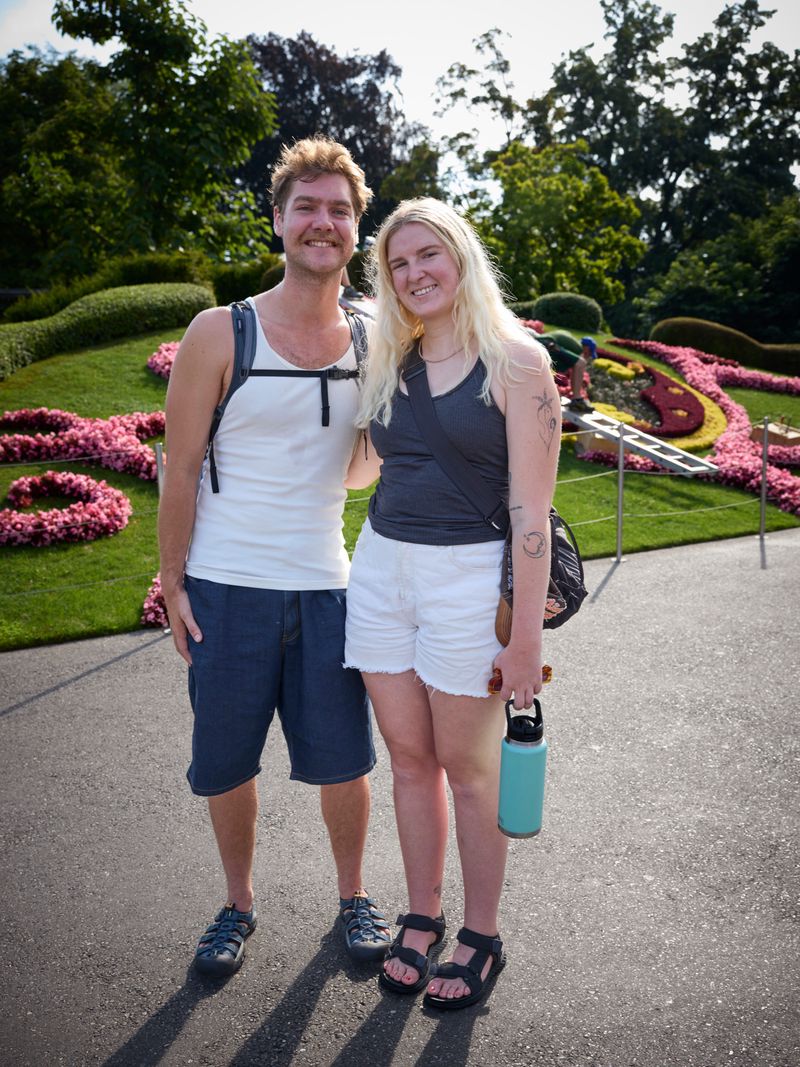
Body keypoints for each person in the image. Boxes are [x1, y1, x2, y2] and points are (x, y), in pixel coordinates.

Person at [158, 136, 390, 978]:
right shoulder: (222, 330)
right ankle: (237, 903)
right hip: (225, 589)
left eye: (339, 210)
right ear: (280, 218)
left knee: (345, 759)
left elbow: (371, 459)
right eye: (307, 207)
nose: (321, 222)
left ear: (356, 229)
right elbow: (179, 468)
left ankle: (354, 897)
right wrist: (172, 580)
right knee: (225, 760)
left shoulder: (375, 338)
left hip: (329, 586)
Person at [343, 198, 561, 1010]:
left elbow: (531, 513)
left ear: (460, 256)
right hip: (381, 572)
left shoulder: (516, 362)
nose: (413, 273)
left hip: (472, 579)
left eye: (427, 255)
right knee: (407, 762)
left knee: (470, 773)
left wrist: (527, 637)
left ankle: (481, 931)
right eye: (398, 264)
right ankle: (422, 912)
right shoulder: (388, 362)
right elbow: (364, 468)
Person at [535, 330, 595, 412]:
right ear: (587, 349)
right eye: (589, 354)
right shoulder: (578, 349)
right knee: (581, 363)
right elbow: (579, 364)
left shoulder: (571, 346)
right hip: (548, 344)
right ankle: (577, 399)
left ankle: (576, 399)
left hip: (541, 344)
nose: (588, 357)